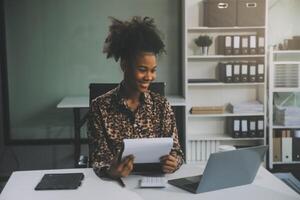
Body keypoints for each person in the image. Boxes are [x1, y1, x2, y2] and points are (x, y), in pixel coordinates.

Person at [88, 16, 183, 180]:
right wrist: (111, 170)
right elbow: (97, 159)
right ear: (125, 65)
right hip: (115, 186)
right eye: (142, 69)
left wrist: (174, 163)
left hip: (156, 185)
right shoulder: (100, 107)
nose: (149, 76)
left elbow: (177, 152)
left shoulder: (161, 105)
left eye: (153, 70)